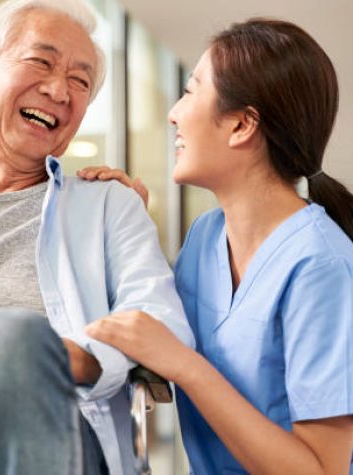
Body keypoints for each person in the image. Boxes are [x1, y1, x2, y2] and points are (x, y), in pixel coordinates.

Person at [0, 1, 194, 474]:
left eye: (81, 81)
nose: (58, 89)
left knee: (4, 337)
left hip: (37, 434)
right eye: (41, 61)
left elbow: (162, 323)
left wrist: (69, 356)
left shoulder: (108, 204)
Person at [83, 18, 353, 474]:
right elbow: (147, 327)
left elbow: (320, 470)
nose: (173, 112)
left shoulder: (320, 265)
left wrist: (187, 367)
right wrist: (123, 230)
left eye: (191, 91)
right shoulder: (205, 239)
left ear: (242, 125)